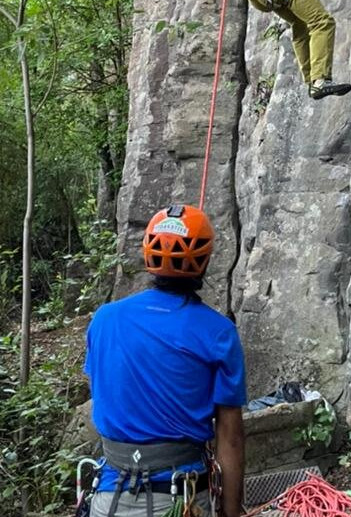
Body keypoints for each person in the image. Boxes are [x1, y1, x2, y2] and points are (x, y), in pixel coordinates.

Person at [84, 205, 246, 517]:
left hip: (108, 498)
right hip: (178, 500)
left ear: (148, 254)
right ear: (204, 261)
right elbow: (231, 438)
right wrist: (231, 512)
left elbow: (106, 391)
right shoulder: (218, 333)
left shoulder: (104, 320)